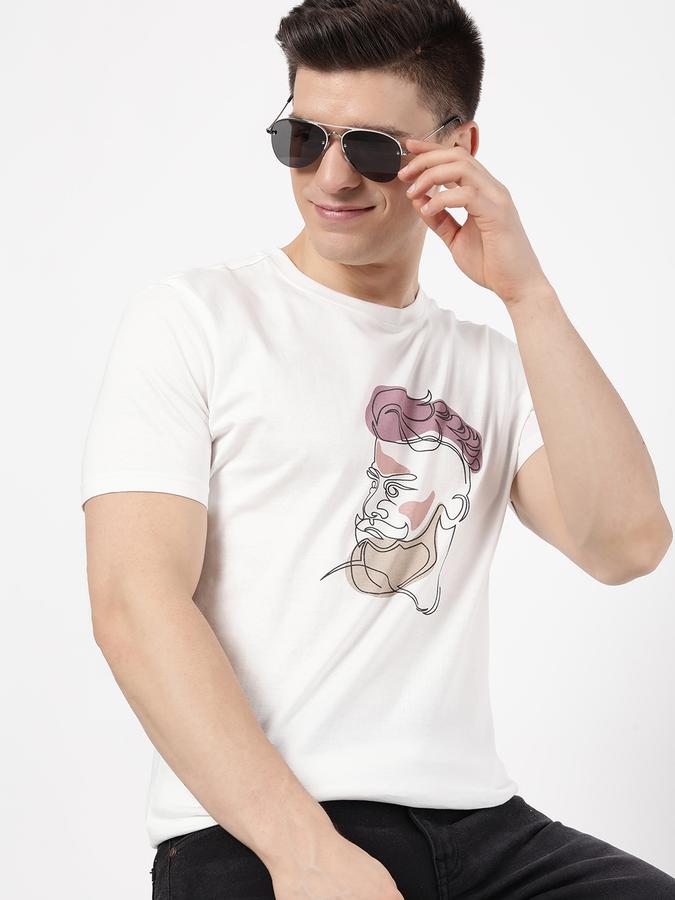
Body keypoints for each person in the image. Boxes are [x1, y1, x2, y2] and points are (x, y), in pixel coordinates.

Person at [81, 1, 674, 897]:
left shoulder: (493, 365)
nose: (331, 176)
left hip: (484, 826)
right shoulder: (196, 318)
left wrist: (528, 294)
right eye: (302, 138)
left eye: (371, 148)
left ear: (456, 150)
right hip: (262, 829)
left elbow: (625, 545)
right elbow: (134, 603)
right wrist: (303, 853)